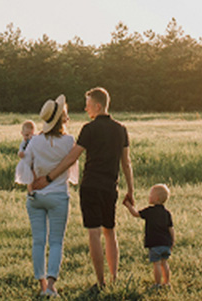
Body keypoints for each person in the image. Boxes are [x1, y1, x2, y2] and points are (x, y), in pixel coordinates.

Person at [32, 87, 135, 291]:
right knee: (110, 231)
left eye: (88, 104)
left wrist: (49, 177)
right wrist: (130, 190)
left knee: (94, 233)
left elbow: (72, 157)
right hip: (110, 187)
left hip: (90, 187)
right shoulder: (121, 129)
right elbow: (126, 163)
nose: (86, 108)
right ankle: (114, 279)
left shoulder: (89, 129)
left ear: (97, 106)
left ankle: (101, 282)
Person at [15, 95, 78, 297]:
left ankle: (42, 286)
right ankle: (51, 286)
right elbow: (72, 169)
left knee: (38, 241)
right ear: (62, 119)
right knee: (56, 241)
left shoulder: (34, 141)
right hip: (59, 195)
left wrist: (34, 183)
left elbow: (25, 167)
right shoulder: (69, 141)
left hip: (36, 197)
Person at [123, 184, 175, 288]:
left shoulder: (150, 211)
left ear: (156, 198)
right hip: (165, 244)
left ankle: (157, 284)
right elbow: (171, 229)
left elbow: (136, 214)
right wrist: (172, 242)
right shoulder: (167, 213)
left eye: (150, 194)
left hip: (155, 244)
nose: (149, 196)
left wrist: (128, 205)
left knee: (156, 264)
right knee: (164, 263)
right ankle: (167, 282)